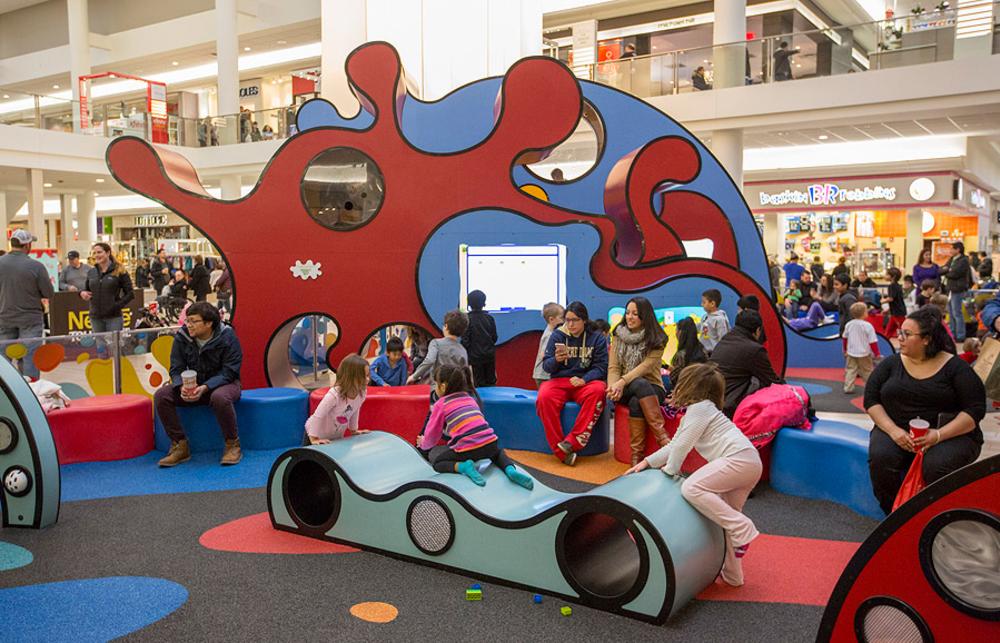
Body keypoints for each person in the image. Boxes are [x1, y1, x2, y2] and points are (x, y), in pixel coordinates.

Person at [625, 362, 762, 587]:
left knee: (692, 488)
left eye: (681, 383)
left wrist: (670, 469)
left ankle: (742, 527)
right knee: (724, 519)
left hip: (738, 459)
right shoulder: (701, 411)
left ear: (691, 387)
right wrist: (647, 462)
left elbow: (681, 448)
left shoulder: (701, 409)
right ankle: (733, 575)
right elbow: (674, 444)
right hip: (749, 462)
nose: (677, 387)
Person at [864, 306, 984, 515]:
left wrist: (937, 435)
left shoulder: (956, 368)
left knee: (936, 465)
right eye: (900, 332)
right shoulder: (891, 364)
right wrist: (893, 431)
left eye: (907, 334)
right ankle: (894, 516)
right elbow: (871, 400)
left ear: (926, 339)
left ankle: (935, 517)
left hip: (950, 434)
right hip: (896, 429)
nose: (899, 337)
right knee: (881, 458)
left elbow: (974, 411)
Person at [155, 302, 244, 467]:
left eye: (193, 321)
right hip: (195, 386)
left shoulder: (227, 336)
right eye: (187, 321)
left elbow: (230, 371)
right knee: (162, 395)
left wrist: (206, 387)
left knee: (220, 397)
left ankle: (232, 444)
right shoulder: (182, 337)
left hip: (226, 384)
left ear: (209, 323)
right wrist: (181, 386)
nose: (188, 325)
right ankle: (179, 445)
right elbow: (176, 368)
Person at [418, 364, 534, 489]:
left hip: (467, 450)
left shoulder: (441, 404)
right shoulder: (469, 398)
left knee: (439, 463)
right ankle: (510, 469)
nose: (434, 388)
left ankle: (464, 467)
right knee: (498, 454)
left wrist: (423, 443)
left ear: (443, 386)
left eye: (435, 384)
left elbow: (432, 435)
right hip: (490, 443)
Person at [537, 301, 609, 466]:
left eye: (575, 320)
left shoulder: (596, 337)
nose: (570, 324)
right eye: (567, 320)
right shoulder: (557, 335)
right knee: (544, 396)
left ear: (584, 320)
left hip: (584, 382)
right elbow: (547, 367)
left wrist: (584, 379)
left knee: (599, 390)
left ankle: (572, 443)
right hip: (559, 381)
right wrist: (556, 360)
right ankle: (561, 451)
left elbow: (601, 367)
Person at [607, 296, 669, 465]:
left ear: (645, 316)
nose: (630, 317)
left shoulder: (657, 339)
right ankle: (665, 442)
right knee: (637, 386)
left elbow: (644, 368)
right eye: (627, 313)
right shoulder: (618, 335)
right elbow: (613, 367)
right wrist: (613, 386)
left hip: (653, 387)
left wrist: (621, 382)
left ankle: (636, 458)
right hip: (623, 387)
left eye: (635, 313)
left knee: (637, 398)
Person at [0, 230, 54, 379]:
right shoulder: (36, 266)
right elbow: (48, 293)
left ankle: (5, 392)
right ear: (27, 245)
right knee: (30, 356)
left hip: (4, 317)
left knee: (4, 358)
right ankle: (31, 391)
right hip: (30, 319)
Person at [709, 310, 783, 418]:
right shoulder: (754, 350)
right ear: (758, 330)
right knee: (759, 383)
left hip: (712, 402)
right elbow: (772, 381)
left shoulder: (725, 340)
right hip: (729, 407)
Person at [305, 354, 368, 443]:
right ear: (351, 377)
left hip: (335, 436)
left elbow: (355, 410)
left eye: (368, 375)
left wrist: (354, 430)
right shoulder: (334, 395)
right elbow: (318, 416)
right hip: (314, 434)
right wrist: (314, 439)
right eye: (364, 376)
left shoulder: (361, 392)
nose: (367, 379)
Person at [80, 242, 134, 333]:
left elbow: (130, 294)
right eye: (94, 253)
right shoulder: (91, 272)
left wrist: (116, 306)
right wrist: (82, 293)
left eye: (99, 252)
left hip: (114, 317)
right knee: (100, 346)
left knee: (114, 346)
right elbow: (86, 290)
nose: (96, 255)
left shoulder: (120, 270)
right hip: (95, 317)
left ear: (108, 253)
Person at [408, 310, 469, 384]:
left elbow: (429, 361)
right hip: (453, 388)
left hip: (438, 387)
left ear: (446, 326)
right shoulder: (462, 350)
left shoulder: (436, 343)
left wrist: (414, 376)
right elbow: (465, 372)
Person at [461, 289, 497, 387]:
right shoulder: (490, 318)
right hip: (489, 356)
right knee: (491, 383)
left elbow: (465, 341)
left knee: (477, 385)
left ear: (469, 304)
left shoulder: (467, 319)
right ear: (484, 303)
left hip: (474, 358)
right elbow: (494, 338)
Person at [843, 302, 881, 394]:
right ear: (864, 313)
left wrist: (845, 350)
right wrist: (877, 353)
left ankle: (848, 387)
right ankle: (870, 387)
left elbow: (845, 338)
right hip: (864, 353)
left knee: (851, 370)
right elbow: (873, 341)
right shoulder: (867, 326)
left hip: (851, 352)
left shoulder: (849, 324)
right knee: (867, 370)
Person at [943, 241, 972, 342]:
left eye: (952, 249)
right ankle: (952, 334)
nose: (950, 251)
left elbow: (955, 273)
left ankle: (960, 335)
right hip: (950, 289)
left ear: (958, 249)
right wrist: (947, 271)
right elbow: (943, 269)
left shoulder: (963, 260)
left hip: (958, 289)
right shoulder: (952, 259)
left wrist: (947, 272)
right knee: (950, 312)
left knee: (957, 312)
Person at [533, 302, 565, 387]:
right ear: (551, 319)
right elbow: (543, 354)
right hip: (543, 375)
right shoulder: (549, 335)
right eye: (562, 318)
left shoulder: (552, 332)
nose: (564, 320)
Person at [670, 317, 707, 387]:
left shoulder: (681, 355)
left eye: (676, 330)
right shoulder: (703, 350)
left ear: (680, 332)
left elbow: (674, 378)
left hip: (683, 390)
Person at [699, 288, 730, 354]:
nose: (701, 304)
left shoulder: (720, 319)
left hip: (714, 353)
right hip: (703, 352)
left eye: (704, 302)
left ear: (712, 303)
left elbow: (723, 339)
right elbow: (700, 327)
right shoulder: (705, 317)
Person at [882, 267, 907, 338]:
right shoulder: (898, 286)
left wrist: (883, 301)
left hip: (898, 313)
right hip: (896, 312)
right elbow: (896, 300)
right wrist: (888, 310)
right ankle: (885, 342)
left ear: (893, 277)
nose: (885, 276)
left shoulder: (892, 286)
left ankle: (906, 343)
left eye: (887, 274)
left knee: (901, 330)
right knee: (889, 331)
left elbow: (891, 299)